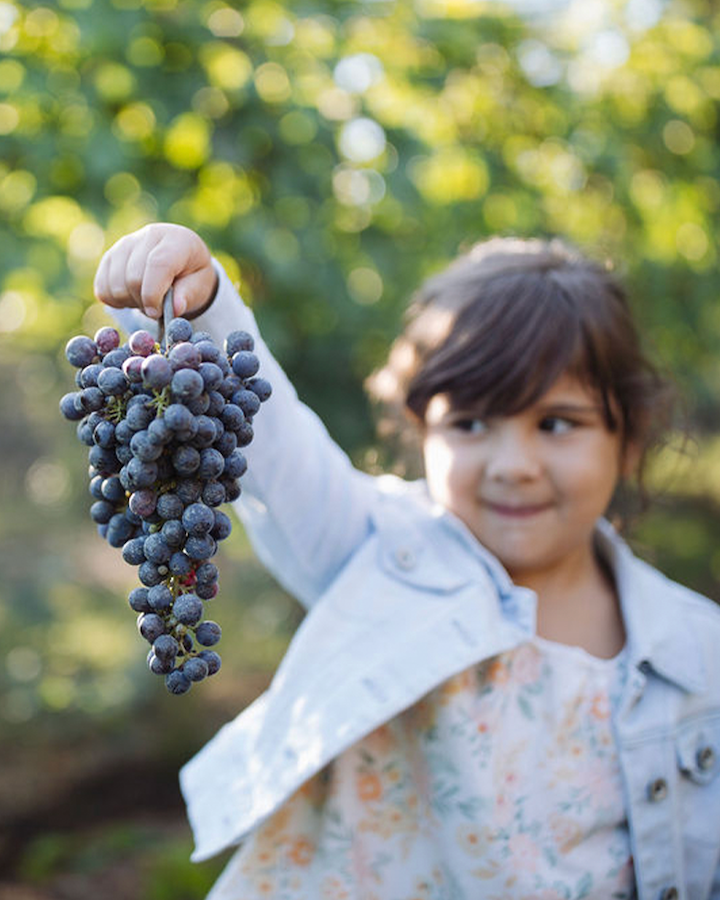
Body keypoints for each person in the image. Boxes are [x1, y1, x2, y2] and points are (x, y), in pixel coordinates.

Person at [95, 223, 720, 900]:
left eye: (557, 423)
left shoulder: (696, 654)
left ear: (627, 438)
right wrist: (196, 304)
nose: (513, 466)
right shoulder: (383, 551)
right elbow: (275, 454)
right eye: (471, 424)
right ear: (421, 431)